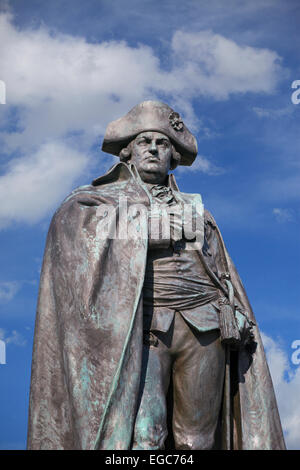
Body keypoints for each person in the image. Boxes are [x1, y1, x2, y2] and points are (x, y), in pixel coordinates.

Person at [27, 101, 285, 450]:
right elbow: (72, 231)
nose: (152, 148)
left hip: (203, 326)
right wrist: (148, 229)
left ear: (172, 155)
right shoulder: (95, 201)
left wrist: (232, 307)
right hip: (145, 326)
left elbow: (219, 269)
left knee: (198, 441)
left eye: (161, 143)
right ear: (128, 152)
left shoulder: (198, 211)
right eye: (144, 141)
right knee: (147, 434)